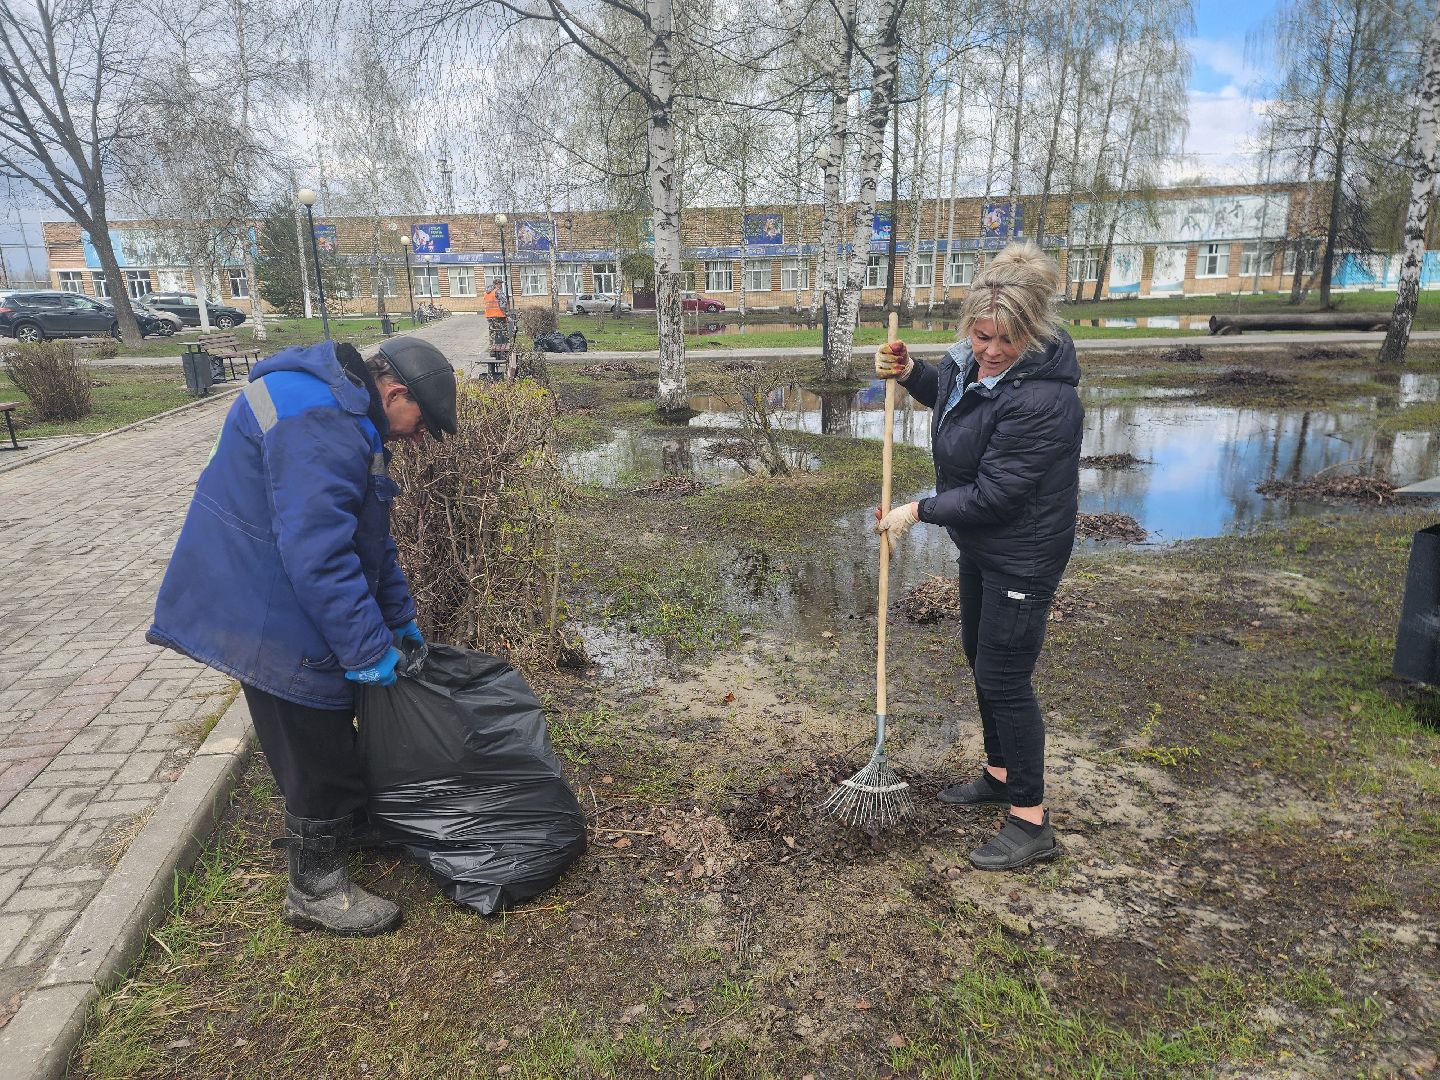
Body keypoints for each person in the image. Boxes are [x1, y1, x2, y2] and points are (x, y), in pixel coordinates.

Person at [147, 336, 458, 934]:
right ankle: (313, 888)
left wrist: (397, 617)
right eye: (422, 425)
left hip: (280, 579)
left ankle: (349, 826)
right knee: (309, 729)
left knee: (329, 722)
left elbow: (368, 535)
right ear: (394, 392)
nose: (421, 440)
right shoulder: (320, 421)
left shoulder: (346, 410)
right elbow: (319, 557)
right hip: (257, 600)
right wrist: (368, 649)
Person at [873, 242, 1082, 872]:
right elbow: (953, 393)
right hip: (984, 548)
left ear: (1034, 331)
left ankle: (1030, 820)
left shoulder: (1047, 400)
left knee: (1005, 678)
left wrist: (919, 510)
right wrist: (911, 373)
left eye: (1007, 339)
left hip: (1023, 553)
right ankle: (997, 774)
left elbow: (994, 495)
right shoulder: (975, 364)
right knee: (978, 657)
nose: (990, 349)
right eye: (981, 334)